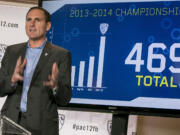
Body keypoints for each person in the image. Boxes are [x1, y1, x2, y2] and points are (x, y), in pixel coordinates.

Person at [0, 6, 72, 135]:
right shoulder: (12, 51)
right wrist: (12, 79)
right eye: (29, 19)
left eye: (37, 20)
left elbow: (65, 98)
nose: (32, 24)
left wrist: (56, 86)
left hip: (42, 126)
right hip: (11, 123)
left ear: (48, 26)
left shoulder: (61, 55)